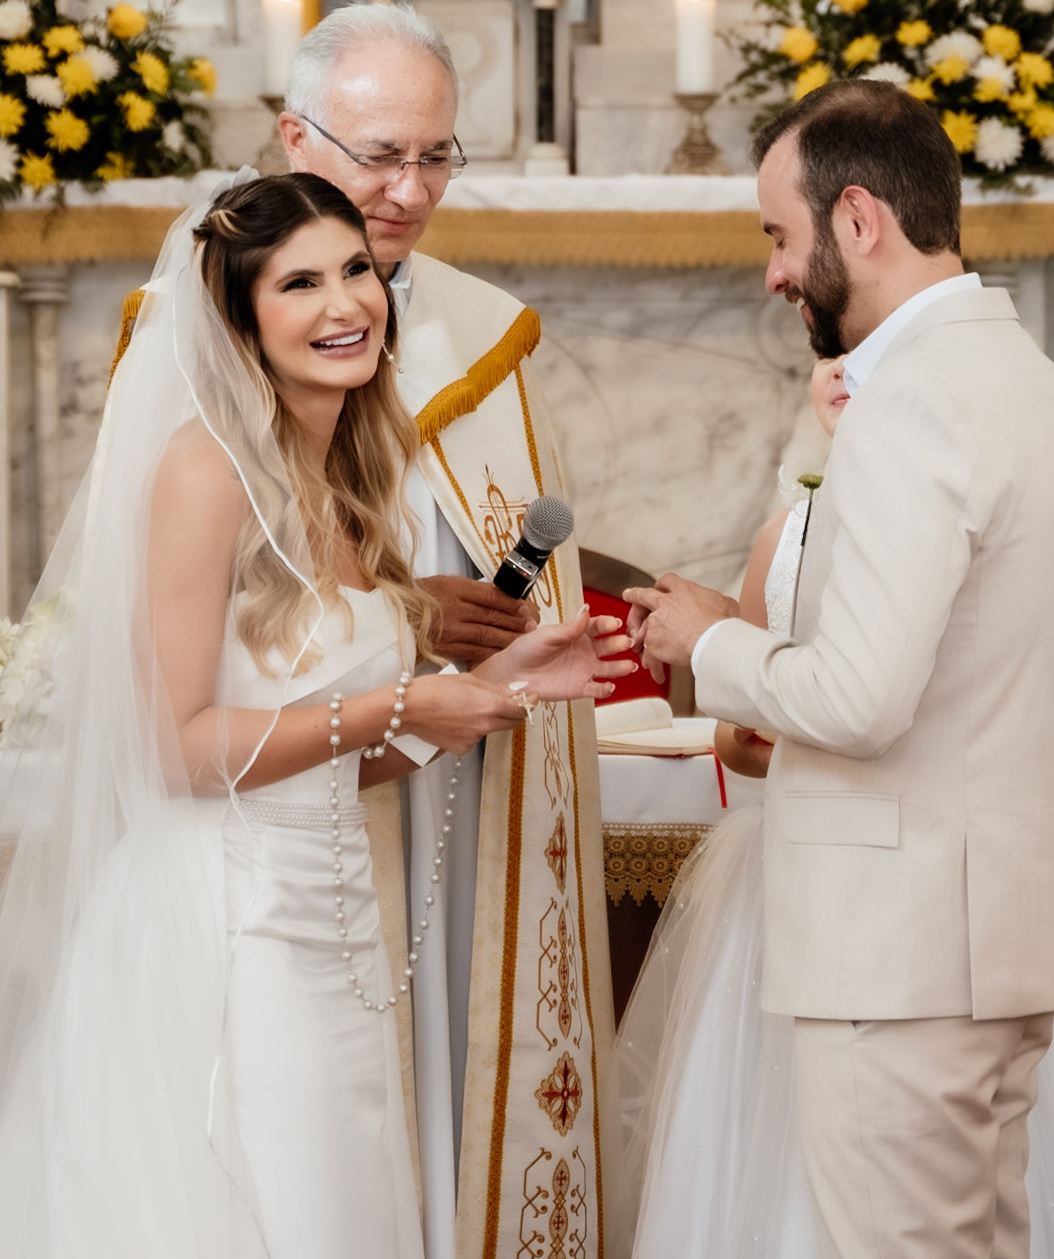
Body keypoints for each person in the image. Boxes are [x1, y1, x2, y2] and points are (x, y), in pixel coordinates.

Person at [0, 173, 634, 1257]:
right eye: (300, 282)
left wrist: (498, 688)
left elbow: (325, 754)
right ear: (242, 319)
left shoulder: (346, 475)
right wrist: (399, 697)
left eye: (355, 270)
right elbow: (179, 752)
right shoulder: (205, 474)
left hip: (330, 928)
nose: (346, 304)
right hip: (226, 933)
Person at [625, 79, 1054, 1259]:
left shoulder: (914, 405)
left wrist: (711, 643)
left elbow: (859, 699)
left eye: (780, 238)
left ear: (858, 220)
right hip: (990, 940)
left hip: (896, 958)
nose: (773, 275)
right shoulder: (1038, 386)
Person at [276, 3, 616, 1259]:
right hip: (305, 767)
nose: (408, 190)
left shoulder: (484, 327)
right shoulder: (207, 312)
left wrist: (498, 617)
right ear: (290, 135)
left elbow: (521, 541)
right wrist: (402, 615)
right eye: (377, 155)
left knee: (461, 1037)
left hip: (461, 772)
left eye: (435, 156)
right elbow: (205, 583)